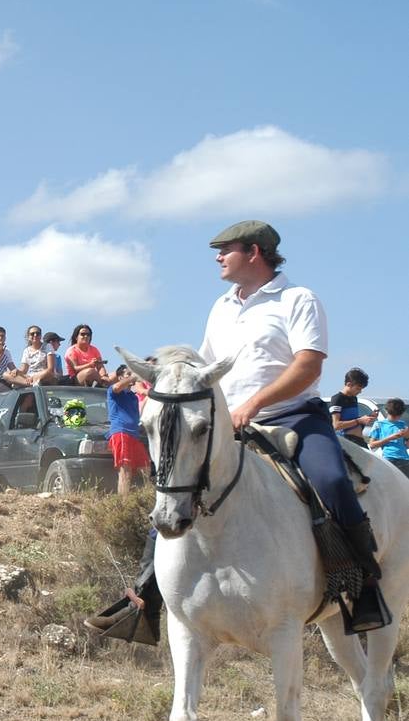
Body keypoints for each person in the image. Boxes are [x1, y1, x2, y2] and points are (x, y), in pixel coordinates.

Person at [90, 220, 389, 641]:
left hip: (294, 418)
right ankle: (143, 599)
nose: (217, 257)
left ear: (254, 252)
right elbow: (205, 368)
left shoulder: (297, 299)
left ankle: (364, 589)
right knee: (175, 487)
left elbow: (309, 364)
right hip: (230, 424)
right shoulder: (222, 306)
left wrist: (254, 403)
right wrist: (164, 378)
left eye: (225, 249)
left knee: (332, 480)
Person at [107, 364, 150, 495]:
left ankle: (144, 499)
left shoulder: (132, 396)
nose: (132, 377)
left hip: (134, 435)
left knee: (145, 469)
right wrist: (134, 377)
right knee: (125, 470)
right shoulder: (113, 391)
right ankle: (123, 504)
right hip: (121, 433)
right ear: (120, 377)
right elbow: (116, 387)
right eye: (128, 374)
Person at [329, 367, 374, 448]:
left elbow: (354, 420)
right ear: (349, 384)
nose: (360, 392)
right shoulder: (337, 398)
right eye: (358, 388)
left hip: (360, 441)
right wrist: (359, 420)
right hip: (347, 441)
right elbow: (336, 425)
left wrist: (367, 418)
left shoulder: (354, 398)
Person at [368, 398, 409, 478]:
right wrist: (391, 438)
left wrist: (407, 437)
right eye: (393, 415)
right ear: (387, 411)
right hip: (389, 459)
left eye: (397, 415)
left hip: (405, 460)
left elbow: (407, 446)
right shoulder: (379, 424)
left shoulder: (403, 424)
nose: (396, 417)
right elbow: (372, 445)